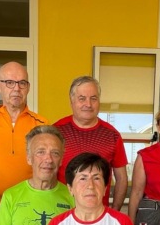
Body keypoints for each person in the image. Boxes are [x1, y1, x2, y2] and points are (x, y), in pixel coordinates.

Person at [0, 61, 47, 220]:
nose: (16, 89)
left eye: (22, 83)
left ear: (28, 88)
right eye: (10, 83)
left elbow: (47, 166)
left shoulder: (41, 124)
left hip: (31, 201)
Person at [54, 76, 128, 211]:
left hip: (98, 215)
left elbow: (122, 178)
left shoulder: (112, 135)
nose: (88, 104)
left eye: (93, 98)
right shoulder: (56, 132)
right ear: (72, 101)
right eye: (82, 98)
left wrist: (114, 211)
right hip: (61, 212)